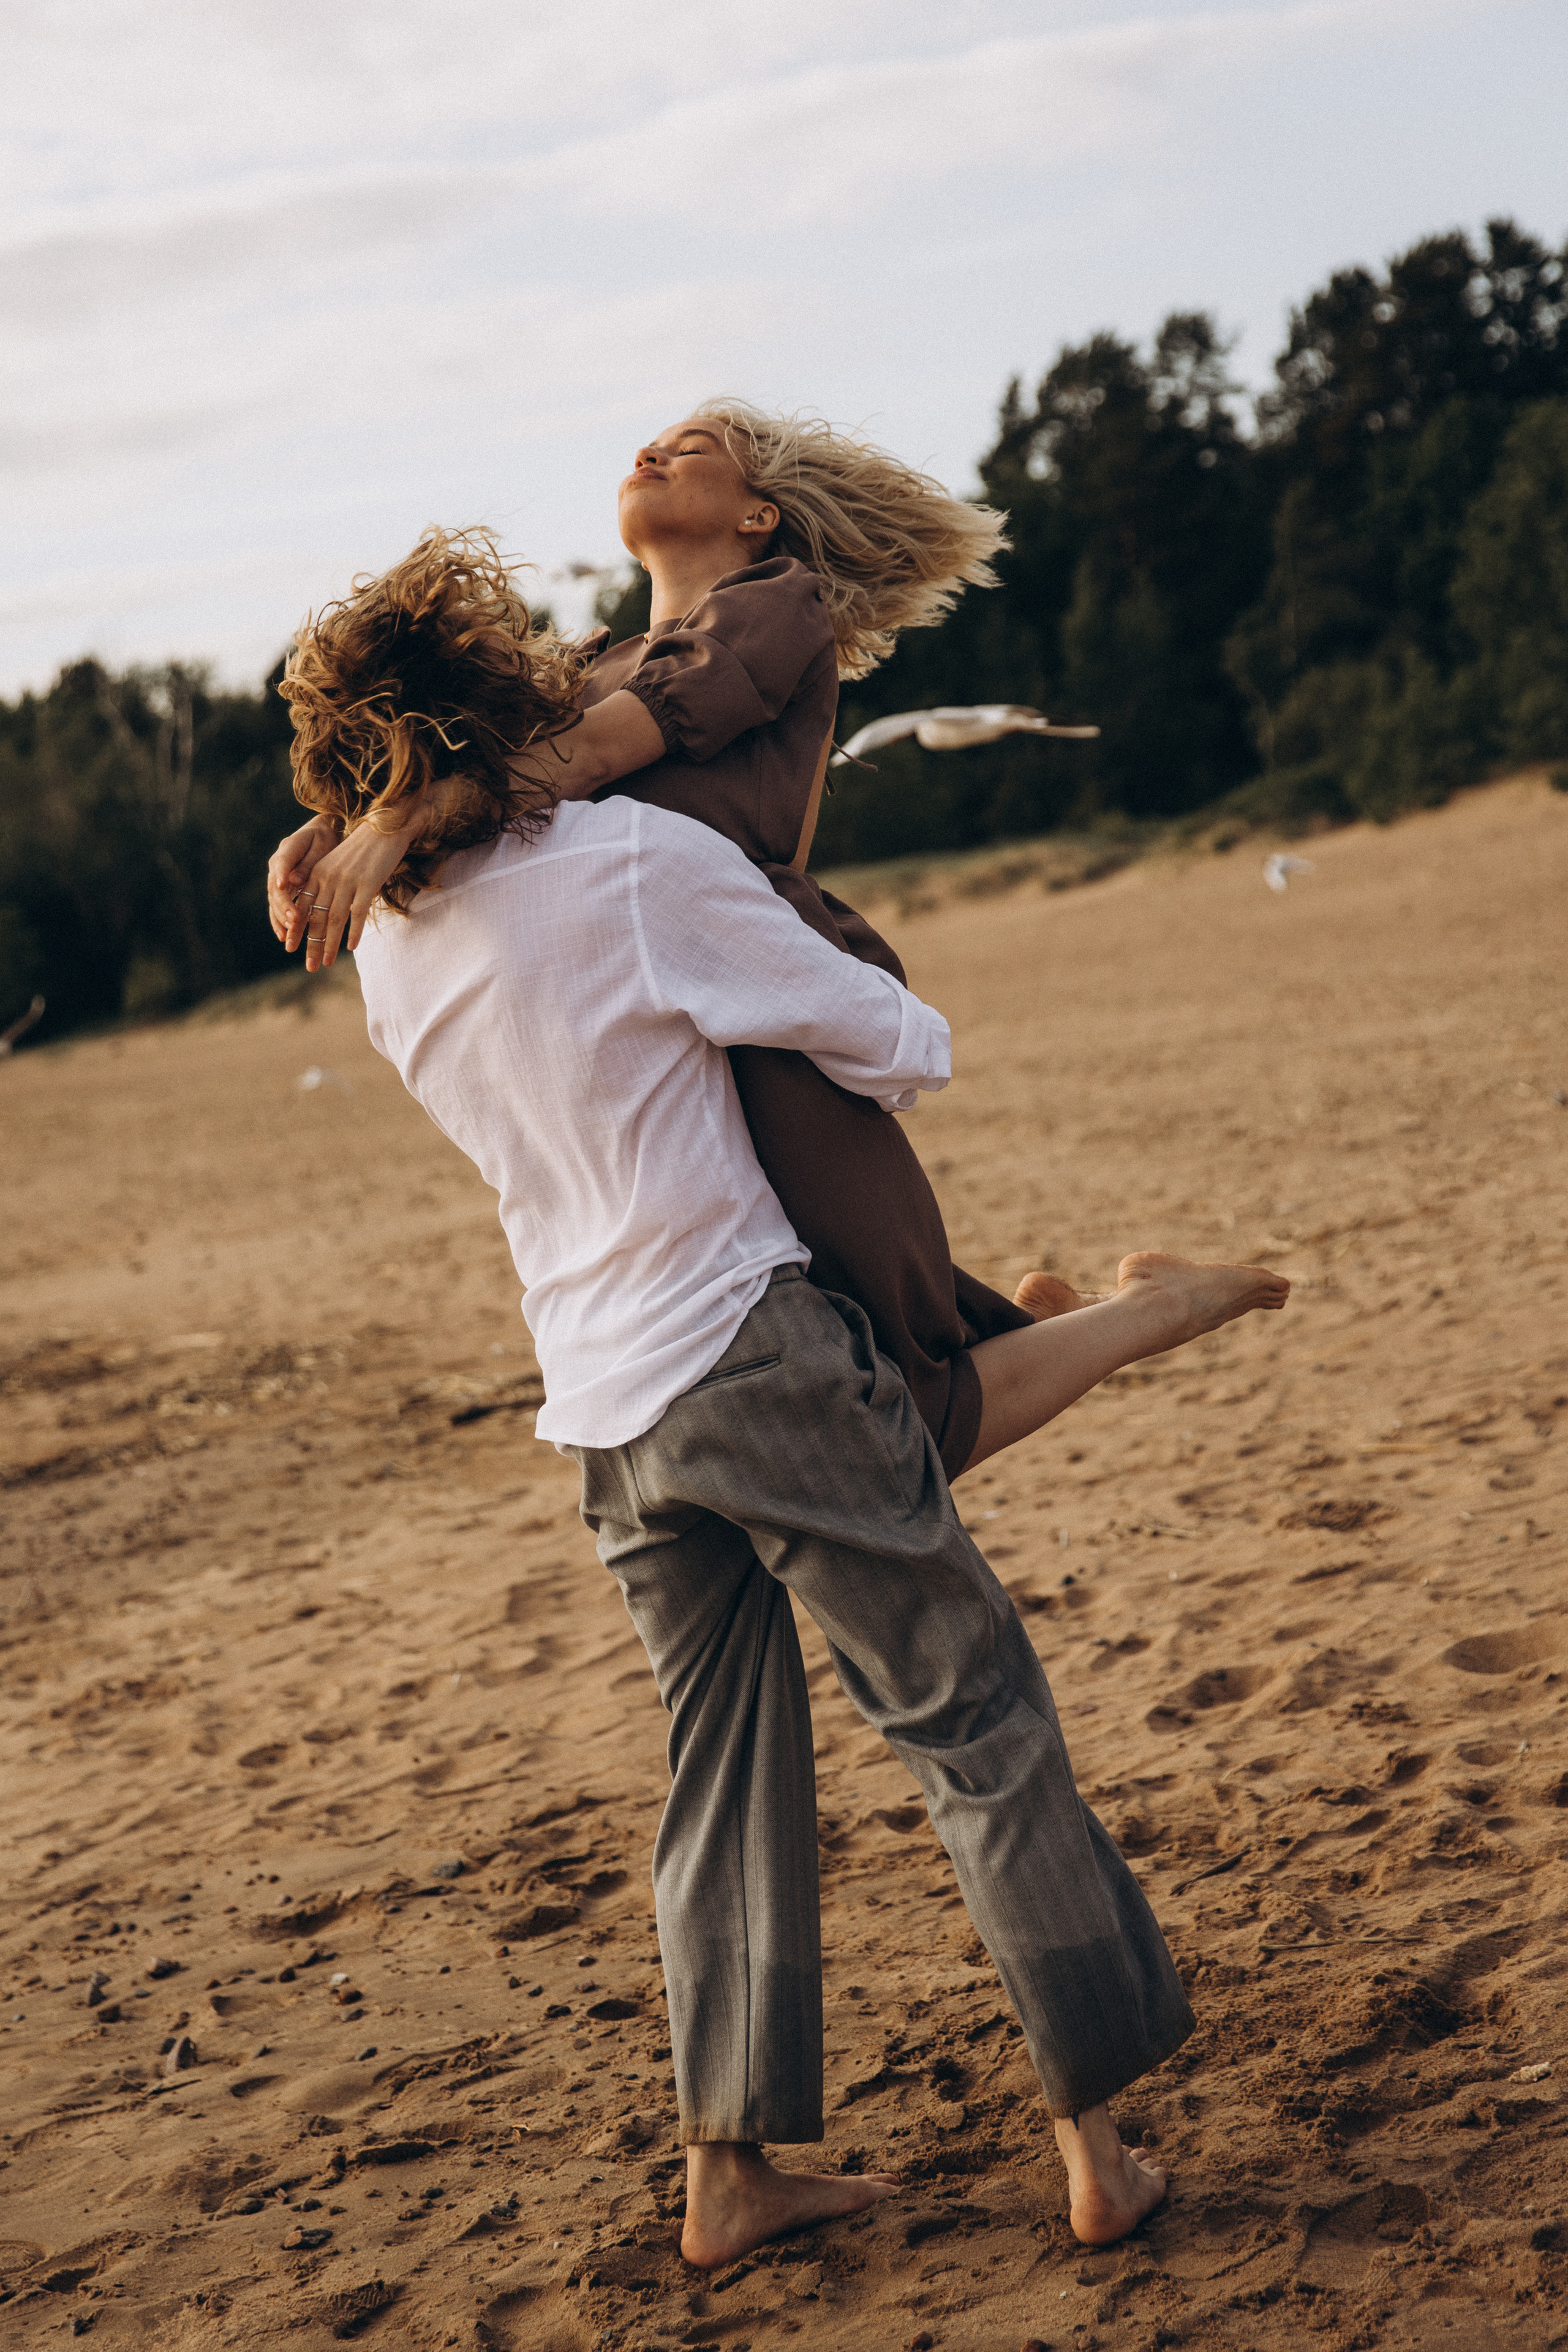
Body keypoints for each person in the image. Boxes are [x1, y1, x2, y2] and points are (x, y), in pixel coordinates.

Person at [272, 535, 1289, 2266]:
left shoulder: (388, 951)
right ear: (502, 697)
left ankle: (727, 2175)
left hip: (598, 1404)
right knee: (973, 1714)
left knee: (721, 1774)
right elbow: (900, 1041)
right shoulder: (627, 868)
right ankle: (1102, 2146)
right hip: (743, 1347)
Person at [268, 406, 1110, 1483]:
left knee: (910, 1417)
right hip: (658, 1021)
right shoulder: (586, 663)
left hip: (767, 1013)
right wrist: (328, 828)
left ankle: (1148, 1312)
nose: (650, 451)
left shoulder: (773, 609)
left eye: (694, 448)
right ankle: (1019, 1321)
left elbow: (578, 763)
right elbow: (456, 774)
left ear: (760, 514)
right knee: (812, 1323)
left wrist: (386, 828)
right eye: (651, 443)